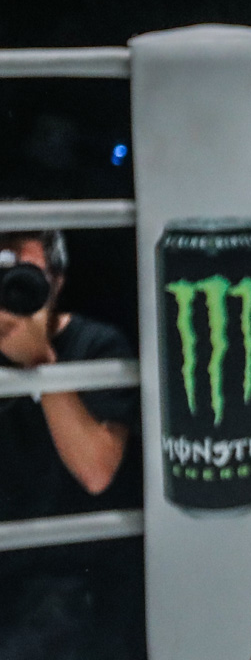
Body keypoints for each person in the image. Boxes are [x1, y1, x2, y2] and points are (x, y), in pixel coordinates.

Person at [0, 229, 140, 660]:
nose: (11, 290)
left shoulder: (97, 346)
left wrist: (41, 364)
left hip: (80, 575)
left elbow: (96, 471)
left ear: (56, 281)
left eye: (25, 277)